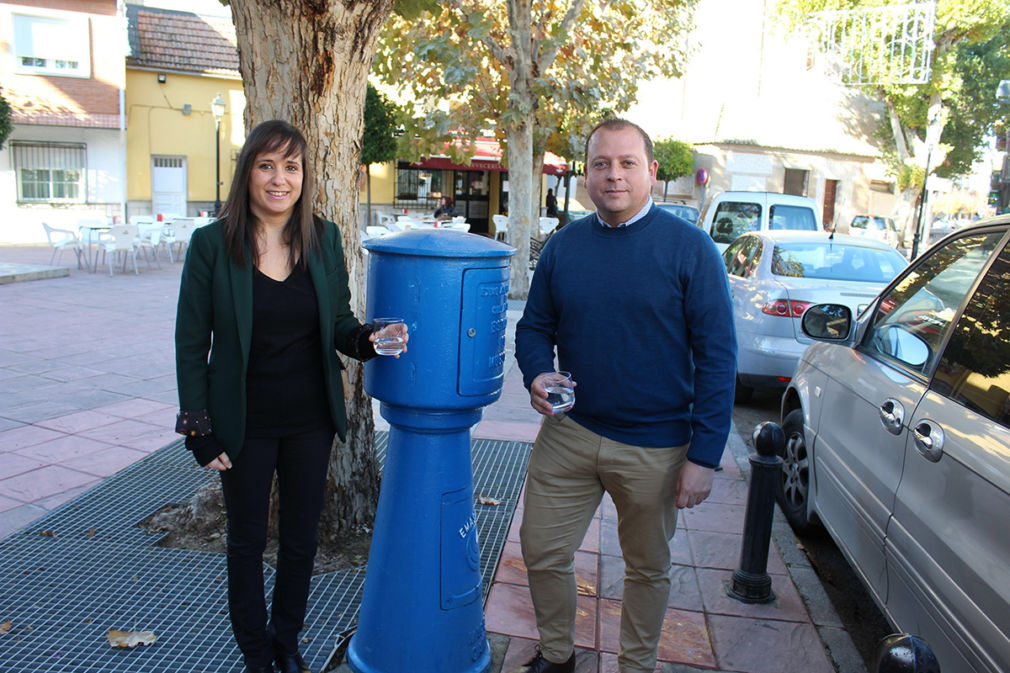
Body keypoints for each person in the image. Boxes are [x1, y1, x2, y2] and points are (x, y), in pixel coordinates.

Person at [174, 120, 407, 673]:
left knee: (301, 541)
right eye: (267, 165)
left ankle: (287, 642)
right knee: (247, 542)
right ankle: (255, 653)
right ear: (248, 172)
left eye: (292, 167)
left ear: (304, 177)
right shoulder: (211, 244)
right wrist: (198, 428)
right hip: (242, 421)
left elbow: (340, 323)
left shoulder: (322, 238)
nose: (280, 179)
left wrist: (366, 340)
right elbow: (190, 341)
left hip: (309, 419)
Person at [514, 118, 736, 673]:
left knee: (646, 569)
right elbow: (534, 327)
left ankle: (634, 666)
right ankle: (559, 655)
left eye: (627, 163)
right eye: (601, 164)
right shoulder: (564, 248)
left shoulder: (691, 251)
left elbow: (717, 358)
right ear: (586, 174)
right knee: (542, 551)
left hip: (655, 448)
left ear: (652, 173)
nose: (613, 175)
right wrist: (538, 374)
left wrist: (704, 456)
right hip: (569, 433)